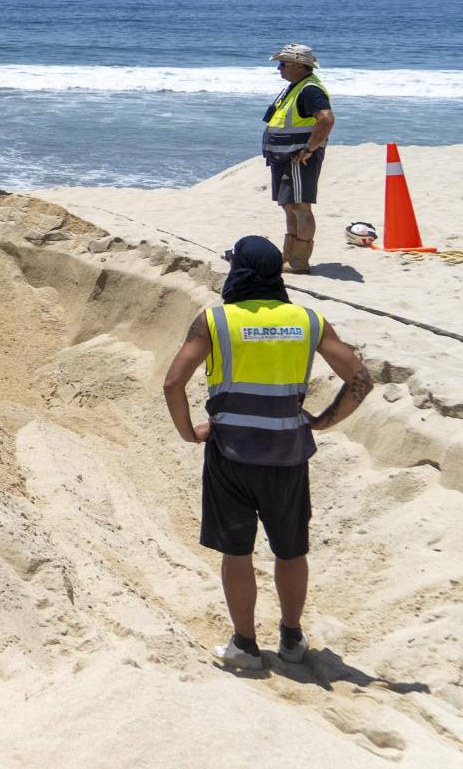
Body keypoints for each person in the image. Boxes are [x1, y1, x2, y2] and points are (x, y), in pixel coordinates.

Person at [161, 234, 373, 671]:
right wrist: (322, 420)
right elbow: (361, 379)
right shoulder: (309, 320)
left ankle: (245, 645)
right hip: (288, 456)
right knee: (291, 551)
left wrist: (189, 432)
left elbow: (173, 382)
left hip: (231, 454)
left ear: (237, 270)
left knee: (237, 552)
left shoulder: (216, 321)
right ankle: (292, 638)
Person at [261, 44, 334, 273]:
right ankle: (288, 256)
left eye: (283, 64)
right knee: (289, 206)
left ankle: (299, 261)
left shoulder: (310, 89)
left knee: (301, 208)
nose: (279, 69)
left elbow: (326, 119)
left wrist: (309, 149)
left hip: (298, 158)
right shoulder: (295, 87)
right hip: (283, 157)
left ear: (300, 66)